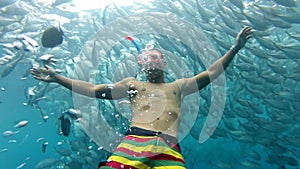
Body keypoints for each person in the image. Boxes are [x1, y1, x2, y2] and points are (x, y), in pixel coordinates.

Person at [31, 27, 253, 169]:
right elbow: (92, 89)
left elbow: (212, 73)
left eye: (155, 57)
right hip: (134, 143)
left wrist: (234, 48)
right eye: (146, 58)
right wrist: (58, 77)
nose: (151, 61)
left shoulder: (179, 86)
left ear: (164, 63)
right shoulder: (132, 85)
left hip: (170, 148)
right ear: (142, 65)